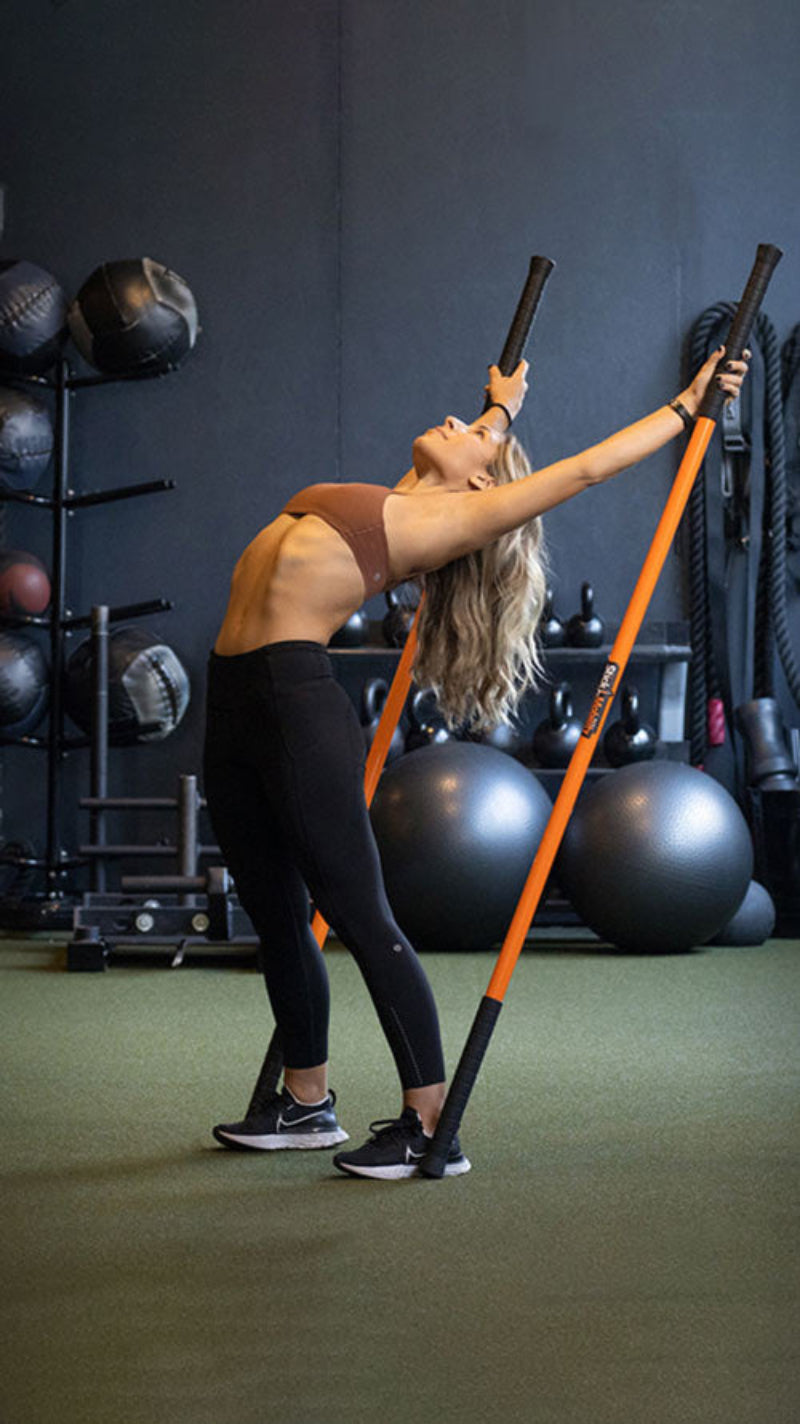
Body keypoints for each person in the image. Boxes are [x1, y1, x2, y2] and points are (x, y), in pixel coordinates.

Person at [204, 344, 749, 1180]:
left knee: (357, 911)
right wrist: (504, 409)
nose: (460, 422)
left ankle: (429, 1123)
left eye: (477, 437)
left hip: (290, 701)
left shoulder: (444, 520)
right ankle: (304, 1102)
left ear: (481, 492)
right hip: (233, 697)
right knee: (275, 913)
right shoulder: (407, 494)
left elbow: (585, 470)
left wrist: (687, 407)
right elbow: (481, 439)